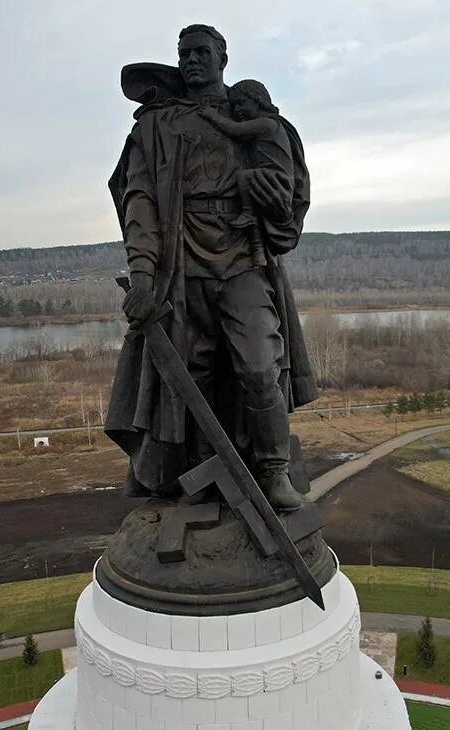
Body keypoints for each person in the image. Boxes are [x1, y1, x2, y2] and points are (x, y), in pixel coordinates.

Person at [105, 24, 316, 511]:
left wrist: (277, 209)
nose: (191, 61)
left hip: (244, 260)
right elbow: (139, 202)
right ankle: (204, 474)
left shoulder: (256, 119)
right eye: (184, 54)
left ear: (223, 57)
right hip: (180, 268)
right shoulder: (156, 126)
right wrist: (142, 274)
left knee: (262, 365)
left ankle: (272, 469)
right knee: (189, 377)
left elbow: (289, 210)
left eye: (201, 52)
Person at [197, 80, 293, 232]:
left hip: (274, 177)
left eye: (241, 103)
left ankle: (248, 213)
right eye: (234, 106)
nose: (236, 110)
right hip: (272, 177)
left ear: (258, 100)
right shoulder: (270, 125)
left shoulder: (266, 124)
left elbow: (235, 129)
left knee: (243, 177)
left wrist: (212, 116)